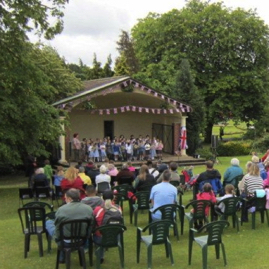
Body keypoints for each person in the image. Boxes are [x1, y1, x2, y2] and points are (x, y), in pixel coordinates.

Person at [45, 188, 93, 263]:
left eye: (65, 198)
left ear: (69, 199)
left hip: (65, 240)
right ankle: (62, 256)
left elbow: (57, 227)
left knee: (48, 222)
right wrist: (86, 237)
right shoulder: (88, 209)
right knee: (62, 229)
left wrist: (58, 240)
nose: (65, 200)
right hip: (81, 240)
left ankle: (62, 256)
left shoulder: (61, 210)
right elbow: (91, 226)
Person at [93, 189, 123, 264]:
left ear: (102, 198)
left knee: (97, 232)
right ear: (113, 197)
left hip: (101, 238)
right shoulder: (118, 209)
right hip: (116, 238)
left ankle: (100, 257)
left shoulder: (97, 209)